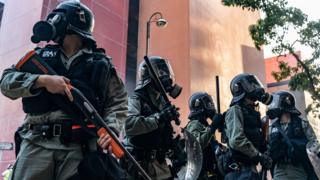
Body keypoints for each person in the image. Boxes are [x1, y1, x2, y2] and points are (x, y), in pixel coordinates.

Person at [0, 1, 127, 180]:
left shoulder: (100, 63)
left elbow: (118, 102)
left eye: (58, 18)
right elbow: (6, 82)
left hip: (78, 148)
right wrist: (41, 81)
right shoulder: (39, 56)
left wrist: (111, 129)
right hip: (36, 144)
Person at [124, 56, 182, 179]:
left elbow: (162, 133)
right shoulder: (136, 98)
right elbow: (129, 125)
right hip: (140, 165)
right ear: (149, 75)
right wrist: (159, 118)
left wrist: (175, 145)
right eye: (161, 72)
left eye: (166, 72)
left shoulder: (161, 101)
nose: (166, 76)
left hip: (160, 165)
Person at [224, 73, 273, 180]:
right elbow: (236, 140)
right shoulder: (236, 110)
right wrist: (259, 156)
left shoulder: (252, 112)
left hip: (251, 170)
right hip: (240, 171)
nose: (256, 87)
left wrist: (264, 151)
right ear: (241, 88)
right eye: (252, 84)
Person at [267, 90, 319, 180]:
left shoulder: (302, 123)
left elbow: (314, 145)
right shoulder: (272, 127)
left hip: (299, 169)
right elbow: (268, 148)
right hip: (279, 170)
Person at [186, 92, 224, 180]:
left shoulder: (203, 124)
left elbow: (211, 144)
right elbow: (197, 145)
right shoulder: (194, 124)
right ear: (199, 105)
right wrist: (213, 126)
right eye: (208, 104)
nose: (211, 106)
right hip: (201, 175)